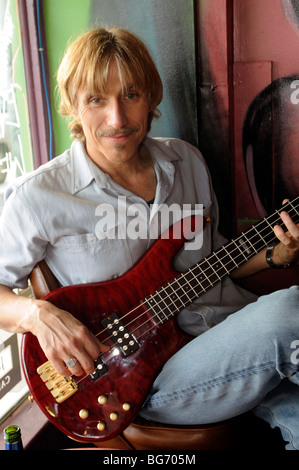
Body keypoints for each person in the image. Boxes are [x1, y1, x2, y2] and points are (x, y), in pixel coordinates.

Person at [0, 27, 298, 449]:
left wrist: (275, 255)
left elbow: (212, 261)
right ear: (73, 106)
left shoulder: (187, 161)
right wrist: (36, 316)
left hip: (234, 337)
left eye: (131, 95)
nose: (117, 119)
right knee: (293, 310)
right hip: (146, 378)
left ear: (151, 98)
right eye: (97, 99)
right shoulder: (39, 198)